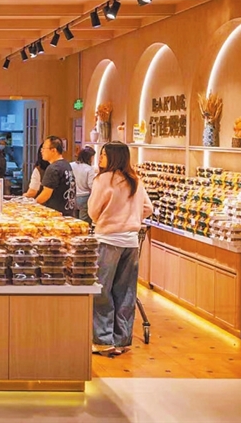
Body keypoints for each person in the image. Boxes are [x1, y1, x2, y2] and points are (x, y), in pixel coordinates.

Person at [88, 142, 153, 355]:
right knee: (125, 292)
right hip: (131, 242)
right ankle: (122, 340)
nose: (100, 158)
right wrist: (131, 218)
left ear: (114, 157)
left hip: (107, 239)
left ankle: (103, 339)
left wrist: (108, 218)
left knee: (101, 290)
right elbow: (148, 208)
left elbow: (93, 211)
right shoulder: (135, 180)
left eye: (104, 155)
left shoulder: (104, 179)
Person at [35, 136, 76, 216]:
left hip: (56, 213)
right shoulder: (66, 164)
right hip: (68, 211)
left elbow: (46, 194)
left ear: (53, 150)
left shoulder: (53, 168)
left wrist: (33, 204)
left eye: (44, 148)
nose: (41, 151)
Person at [71, 146, 97, 223]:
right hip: (85, 197)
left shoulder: (71, 165)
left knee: (74, 221)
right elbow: (90, 185)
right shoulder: (89, 169)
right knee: (84, 222)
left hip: (72, 196)